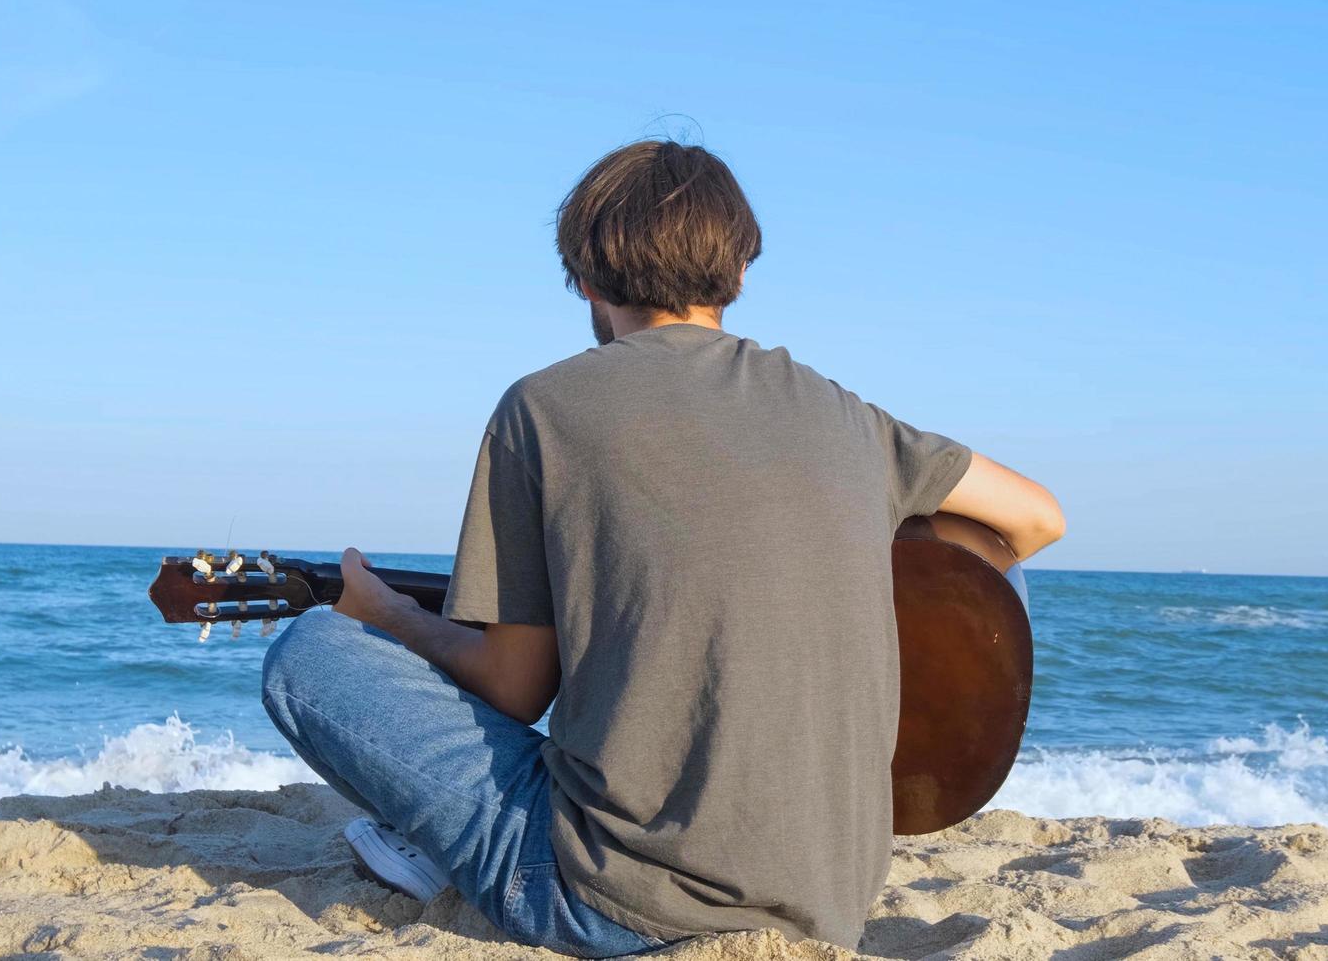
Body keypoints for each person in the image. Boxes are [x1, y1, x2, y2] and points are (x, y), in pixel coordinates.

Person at [261, 140, 1064, 957]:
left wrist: (391, 616)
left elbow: (513, 690)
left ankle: (444, 858)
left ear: (582, 275)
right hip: (831, 906)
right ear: (740, 271)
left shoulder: (541, 409)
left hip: (615, 903)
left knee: (311, 653)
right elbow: (1035, 519)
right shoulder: (849, 418)